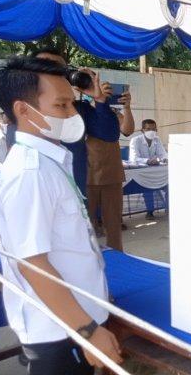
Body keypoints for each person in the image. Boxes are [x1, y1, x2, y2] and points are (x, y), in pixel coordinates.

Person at [0, 56, 122, 375]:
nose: (72, 114)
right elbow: (33, 265)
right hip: (59, 329)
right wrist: (88, 331)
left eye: (72, 104)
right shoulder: (29, 174)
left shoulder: (51, 161)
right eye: (62, 105)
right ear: (23, 110)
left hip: (72, 319)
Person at [35, 49, 134, 251]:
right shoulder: (21, 107)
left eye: (60, 71)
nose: (54, 75)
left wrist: (98, 100)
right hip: (42, 191)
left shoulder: (79, 109)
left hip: (81, 184)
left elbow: (110, 133)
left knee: (83, 236)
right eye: (47, 69)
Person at [129, 119, 168, 220]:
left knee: (169, 183)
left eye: (154, 129)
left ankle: (169, 208)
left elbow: (163, 154)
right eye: (148, 129)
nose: (151, 131)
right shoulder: (135, 140)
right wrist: (147, 161)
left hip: (155, 171)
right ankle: (150, 211)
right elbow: (133, 159)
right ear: (142, 130)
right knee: (147, 186)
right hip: (141, 173)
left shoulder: (157, 139)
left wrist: (164, 159)